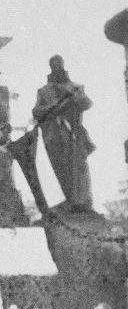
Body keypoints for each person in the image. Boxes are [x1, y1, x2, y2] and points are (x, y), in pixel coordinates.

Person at [31, 55, 94, 211]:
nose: (57, 67)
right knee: (60, 169)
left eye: (59, 64)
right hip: (54, 136)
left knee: (79, 168)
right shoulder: (44, 91)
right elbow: (37, 112)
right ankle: (65, 202)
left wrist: (73, 98)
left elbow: (87, 103)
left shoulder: (75, 87)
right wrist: (54, 108)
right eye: (54, 64)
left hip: (74, 134)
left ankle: (82, 202)